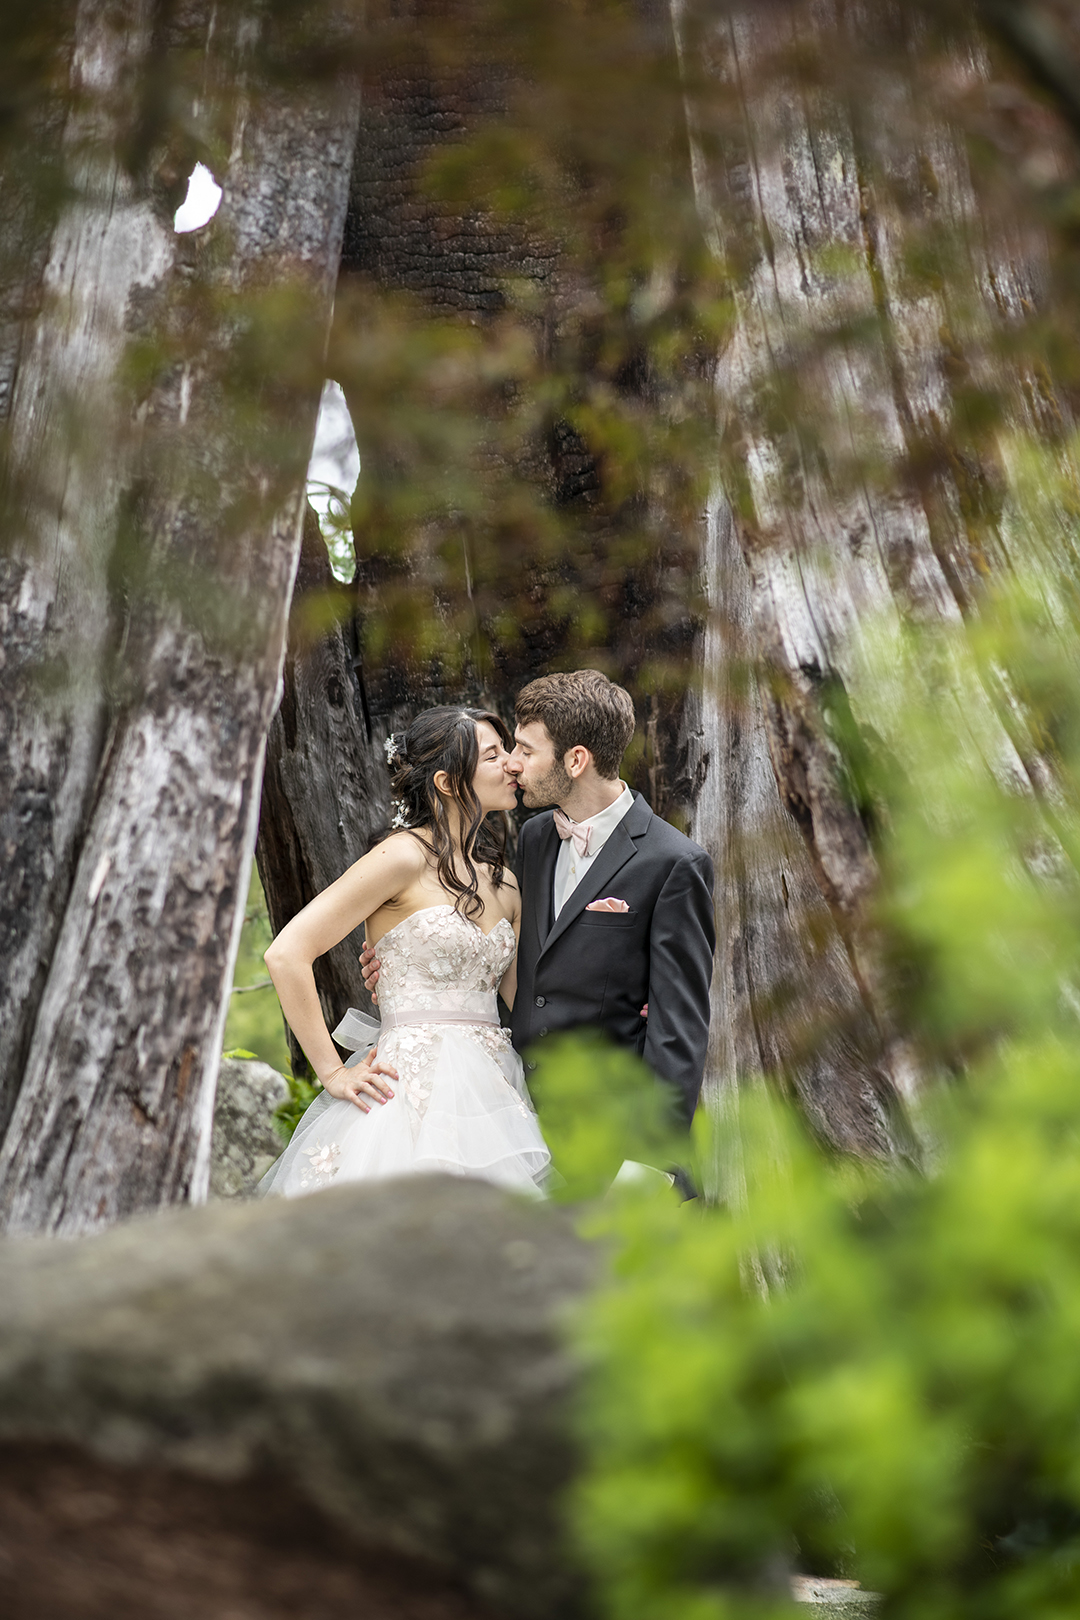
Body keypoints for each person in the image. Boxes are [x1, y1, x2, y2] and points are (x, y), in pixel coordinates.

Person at [364, 671, 716, 1138]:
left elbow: (678, 1033)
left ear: (575, 760)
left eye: (526, 751)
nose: (512, 764)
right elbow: (522, 959)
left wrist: (651, 1168)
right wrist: (402, 969)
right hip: (515, 1111)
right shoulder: (535, 838)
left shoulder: (674, 863)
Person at [259, 707, 550, 1199]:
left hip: (496, 1094)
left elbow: (528, 1002)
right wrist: (333, 1071)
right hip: (408, 1094)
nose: (512, 766)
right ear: (447, 781)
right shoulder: (402, 857)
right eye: (493, 755)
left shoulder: (507, 885)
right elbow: (286, 954)